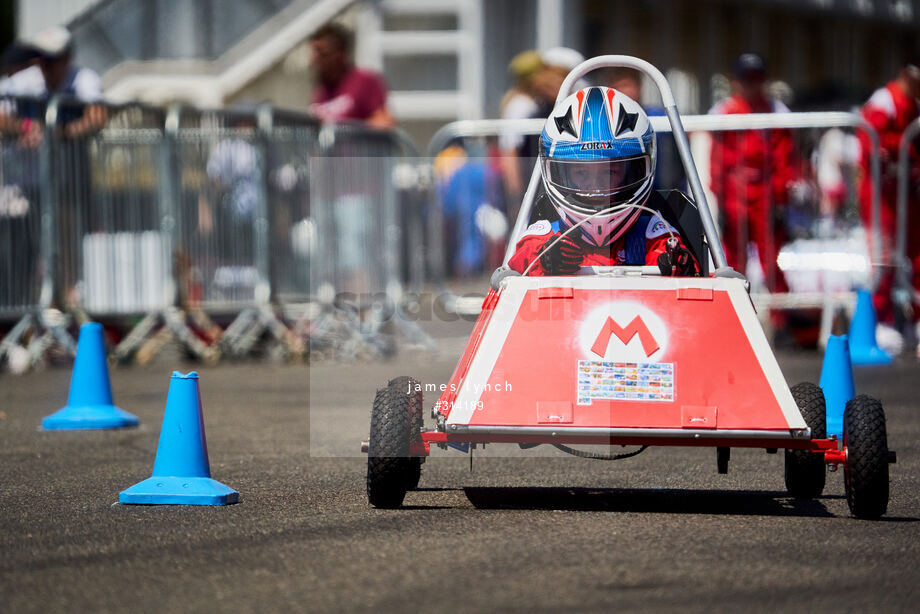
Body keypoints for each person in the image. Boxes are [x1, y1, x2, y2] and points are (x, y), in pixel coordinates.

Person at [509, 86, 696, 277]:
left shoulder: (653, 232)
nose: (595, 184)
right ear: (558, 172)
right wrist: (545, 263)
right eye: (581, 172)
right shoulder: (546, 238)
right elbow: (513, 278)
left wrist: (676, 268)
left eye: (608, 172)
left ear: (635, 171)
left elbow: (685, 271)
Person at [708, 53, 799, 296]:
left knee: (771, 260)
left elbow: (784, 159)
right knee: (733, 262)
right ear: (735, 81)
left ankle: (780, 321)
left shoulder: (776, 112)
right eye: (746, 79)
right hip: (734, 195)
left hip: (766, 195)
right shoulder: (724, 112)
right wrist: (720, 201)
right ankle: (735, 311)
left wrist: (780, 201)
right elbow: (717, 162)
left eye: (756, 78)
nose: (751, 85)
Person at [858, 52, 920, 344]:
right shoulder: (884, 101)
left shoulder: (912, 105)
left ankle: (913, 317)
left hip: (906, 194)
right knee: (882, 256)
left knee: (915, 255)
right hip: (882, 195)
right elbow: (872, 144)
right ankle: (881, 320)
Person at [308, 23, 394, 128]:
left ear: (340, 54)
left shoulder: (364, 81)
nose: (315, 61)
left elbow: (384, 122)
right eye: (314, 55)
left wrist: (351, 132)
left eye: (323, 54)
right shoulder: (320, 92)